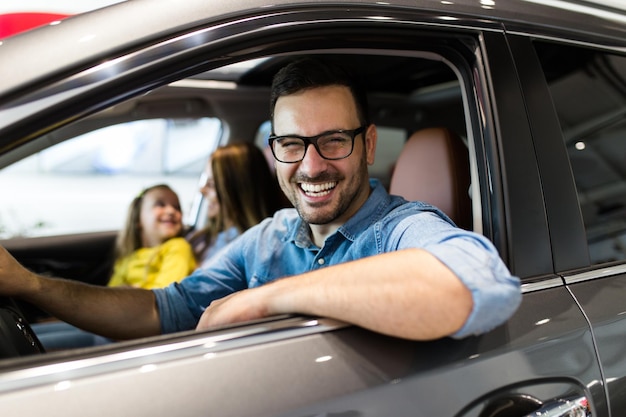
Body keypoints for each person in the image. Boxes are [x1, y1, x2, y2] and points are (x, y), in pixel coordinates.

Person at [0, 58, 521, 343]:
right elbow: (164, 310)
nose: (312, 166)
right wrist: (30, 285)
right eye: (292, 144)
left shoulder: (401, 229)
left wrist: (263, 298)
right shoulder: (268, 237)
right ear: (274, 150)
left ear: (368, 144)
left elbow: (473, 285)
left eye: (334, 140)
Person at [32, 183, 196, 349]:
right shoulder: (130, 256)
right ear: (138, 218)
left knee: (29, 346)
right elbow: (111, 294)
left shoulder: (178, 247)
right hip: (110, 323)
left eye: (177, 207)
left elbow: (165, 297)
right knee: (29, 334)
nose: (171, 211)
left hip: (129, 333)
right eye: (160, 204)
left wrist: (129, 292)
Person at [189, 142, 288, 267]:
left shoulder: (252, 250)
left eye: (212, 185)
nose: (202, 190)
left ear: (237, 192)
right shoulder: (202, 237)